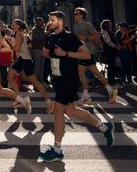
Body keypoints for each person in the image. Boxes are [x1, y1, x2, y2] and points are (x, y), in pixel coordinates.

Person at [39, 11, 115, 162]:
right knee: (70, 110)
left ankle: (57, 150)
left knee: (58, 112)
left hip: (69, 79)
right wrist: (47, 54)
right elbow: (52, 55)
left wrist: (66, 53)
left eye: (52, 20)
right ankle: (105, 127)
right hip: (58, 79)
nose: (50, 22)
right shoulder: (52, 37)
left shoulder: (70, 37)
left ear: (60, 21)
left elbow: (86, 55)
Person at [72, 8, 117, 105]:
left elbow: (96, 36)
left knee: (80, 71)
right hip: (82, 52)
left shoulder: (87, 25)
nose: (75, 15)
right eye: (74, 14)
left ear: (82, 15)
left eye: (77, 14)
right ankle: (110, 91)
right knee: (97, 73)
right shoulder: (75, 26)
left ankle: (85, 96)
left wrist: (86, 38)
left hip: (88, 52)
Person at [7, 19, 52, 113]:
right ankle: (20, 98)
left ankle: (49, 102)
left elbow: (16, 49)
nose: (12, 25)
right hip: (22, 60)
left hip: (24, 60)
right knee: (10, 77)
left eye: (14, 24)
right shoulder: (19, 34)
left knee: (35, 82)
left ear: (18, 26)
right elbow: (28, 46)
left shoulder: (18, 34)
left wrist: (9, 41)